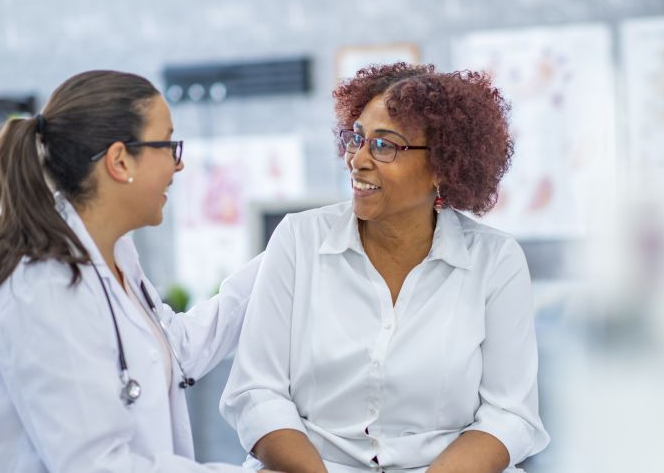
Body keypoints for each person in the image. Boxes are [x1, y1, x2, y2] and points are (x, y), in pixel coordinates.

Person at [221, 63, 549, 473]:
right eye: (356, 138)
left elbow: (509, 414)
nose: (357, 159)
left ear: (444, 166)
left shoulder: (495, 261)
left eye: (384, 145)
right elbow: (257, 393)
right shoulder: (299, 239)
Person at [0, 70, 277, 472]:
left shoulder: (114, 254)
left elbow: (175, 349)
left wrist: (284, 253)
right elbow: (99, 465)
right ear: (120, 160)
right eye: (168, 144)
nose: (180, 163)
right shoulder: (43, 287)